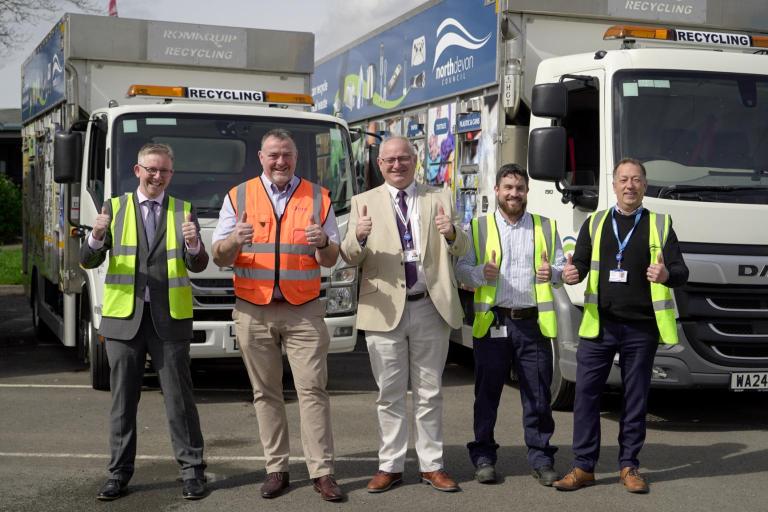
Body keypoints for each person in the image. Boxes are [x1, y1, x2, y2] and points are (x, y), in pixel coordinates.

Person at [211, 128, 343, 502]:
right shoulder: (238, 197)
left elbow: (330, 259)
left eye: (286, 155)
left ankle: (322, 472)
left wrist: (324, 244)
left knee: (313, 391)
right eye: (273, 155)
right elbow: (219, 255)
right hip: (253, 310)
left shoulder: (318, 196)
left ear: (296, 157)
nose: (280, 161)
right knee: (265, 393)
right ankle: (276, 469)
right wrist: (235, 239)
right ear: (261, 158)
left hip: (304, 310)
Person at [340, 136, 469, 493]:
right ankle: (390, 465)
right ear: (379, 165)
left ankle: (432, 465)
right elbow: (349, 256)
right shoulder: (363, 202)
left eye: (404, 159)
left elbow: (464, 247)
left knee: (430, 393)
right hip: (384, 310)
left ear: (415, 161)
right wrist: (360, 238)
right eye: (390, 160)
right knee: (389, 394)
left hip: (430, 305)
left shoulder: (438, 197)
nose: (397, 165)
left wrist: (452, 233)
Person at [80, 143, 208, 501]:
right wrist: (96, 235)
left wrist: (195, 246)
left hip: (170, 321)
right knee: (123, 402)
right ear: (138, 171)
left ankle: (193, 472)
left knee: (180, 401)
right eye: (151, 169)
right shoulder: (114, 208)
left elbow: (196, 264)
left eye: (164, 170)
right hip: (124, 321)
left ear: (171, 173)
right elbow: (87, 260)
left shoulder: (183, 210)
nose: (157, 176)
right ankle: (118, 474)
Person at [553, 158, 689, 494]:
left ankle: (629, 466)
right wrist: (571, 273)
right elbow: (581, 264)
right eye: (623, 179)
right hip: (600, 326)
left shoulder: (660, 223)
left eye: (637, 180)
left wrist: (666, 274)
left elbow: (681, 271)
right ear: (613, 185)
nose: (630, 185)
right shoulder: (596, 222)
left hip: (641, 328)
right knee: (585, 396)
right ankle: (584, 467)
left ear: (645, 185)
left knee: (635, 398)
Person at [455, 164, 564, 486]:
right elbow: (461, 268)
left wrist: (554, 275)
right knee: (487, 394)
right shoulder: (478, 227)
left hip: (532, 323)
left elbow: (559, 267)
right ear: (497, 191)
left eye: (519, 188)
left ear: (527, 192)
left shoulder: (545, 227)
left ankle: (541, 457)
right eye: (508, 187)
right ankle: (484, 457)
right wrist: (479, 275)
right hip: (494, 322)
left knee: (538, 396)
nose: (514, 193)